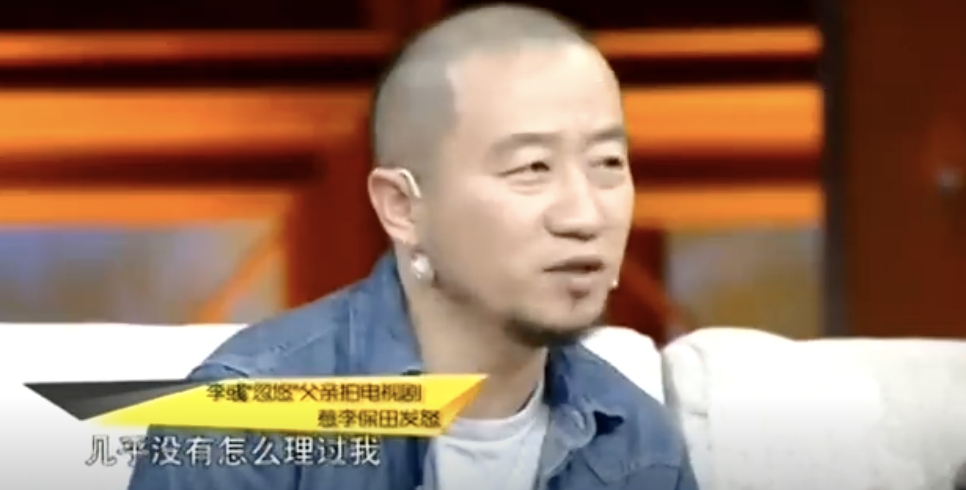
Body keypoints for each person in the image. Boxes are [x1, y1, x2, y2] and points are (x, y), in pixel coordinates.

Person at [127, 3, 699, 490]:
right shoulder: (244, 419)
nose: (585, 215)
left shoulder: (638, 442)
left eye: (608, 163)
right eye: (532, 167)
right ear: (403, 208)